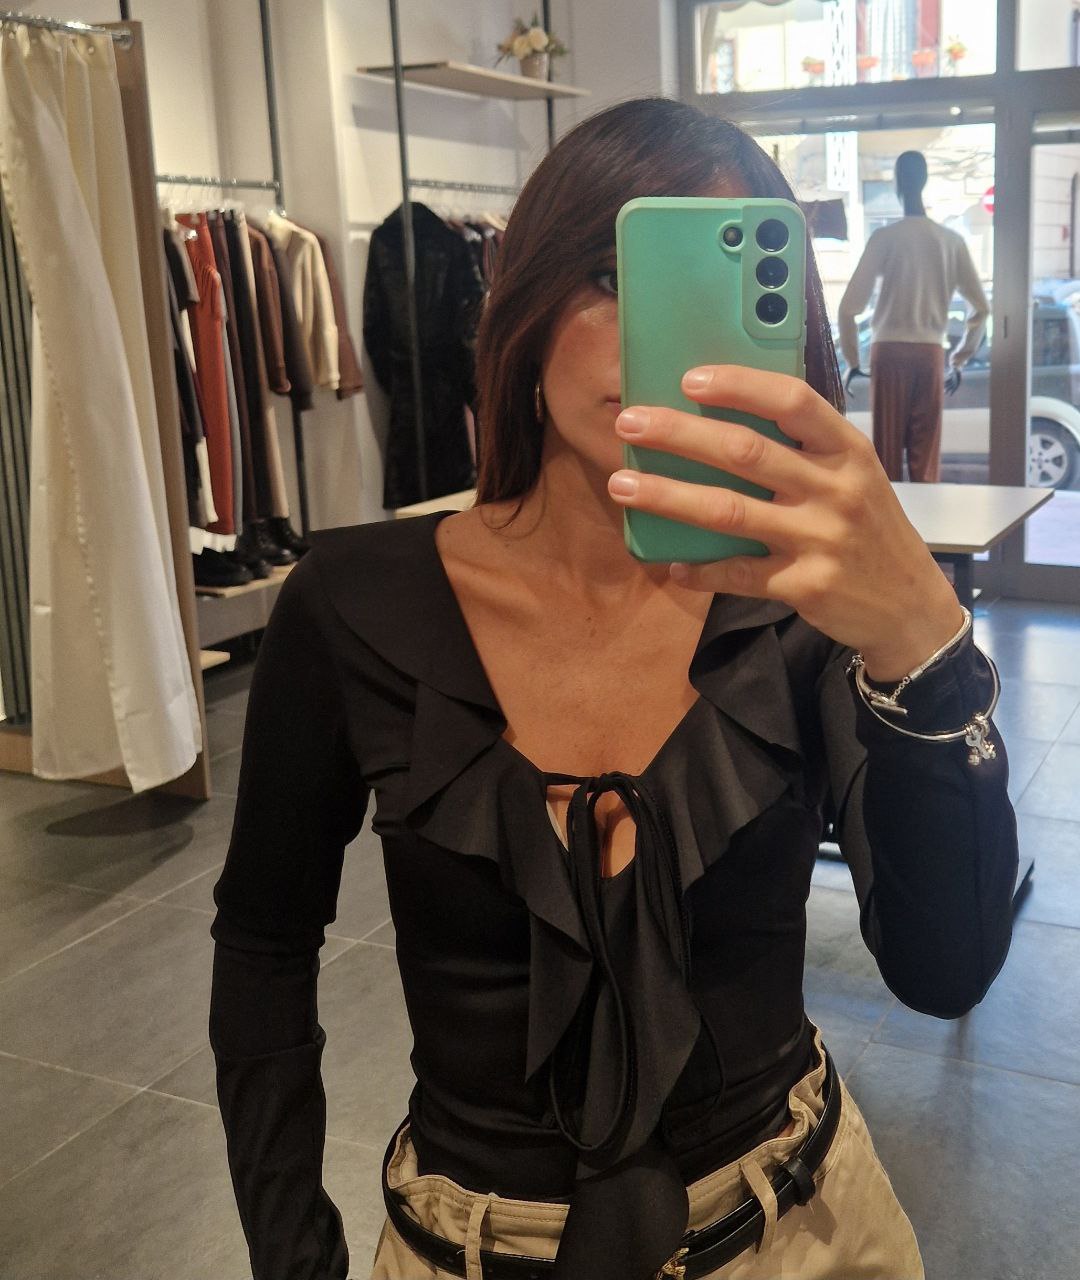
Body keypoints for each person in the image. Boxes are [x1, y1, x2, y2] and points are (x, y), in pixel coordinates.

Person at [209, 99, 1018, 1280]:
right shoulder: (352, 603)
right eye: (609, 272)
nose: (656, 335)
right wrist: (292, 1252)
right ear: (525, 302)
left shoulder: (806, 609)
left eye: (709, 285)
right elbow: (264, 940)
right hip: (459, 1250)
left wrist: (923, 648)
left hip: (803, 1232)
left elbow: (944, 967)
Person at [837, 149, 990, 482]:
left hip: (888, 352)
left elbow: (848, 307)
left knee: (886, 456)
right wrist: (959, 359)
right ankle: (924, 516)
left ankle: (888, 514)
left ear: (897, 184)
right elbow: (981, 307)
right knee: (926, 455)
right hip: (929, 353)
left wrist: (852, 361)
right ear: (924, 181)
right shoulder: (950, 242)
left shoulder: (884, 238)